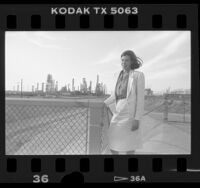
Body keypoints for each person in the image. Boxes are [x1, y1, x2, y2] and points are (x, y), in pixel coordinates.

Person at [104, 50, 145, 155]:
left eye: (127, 60)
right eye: (122, 60)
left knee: (130, 145)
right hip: (118, 112)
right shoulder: (118, 75)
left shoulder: (138, 75)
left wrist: (137, 119)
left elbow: (140, 99)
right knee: (113, 142)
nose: (124, 62)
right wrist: (104, 103)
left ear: (132, 61)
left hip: (129, 114)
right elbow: (115, 95)